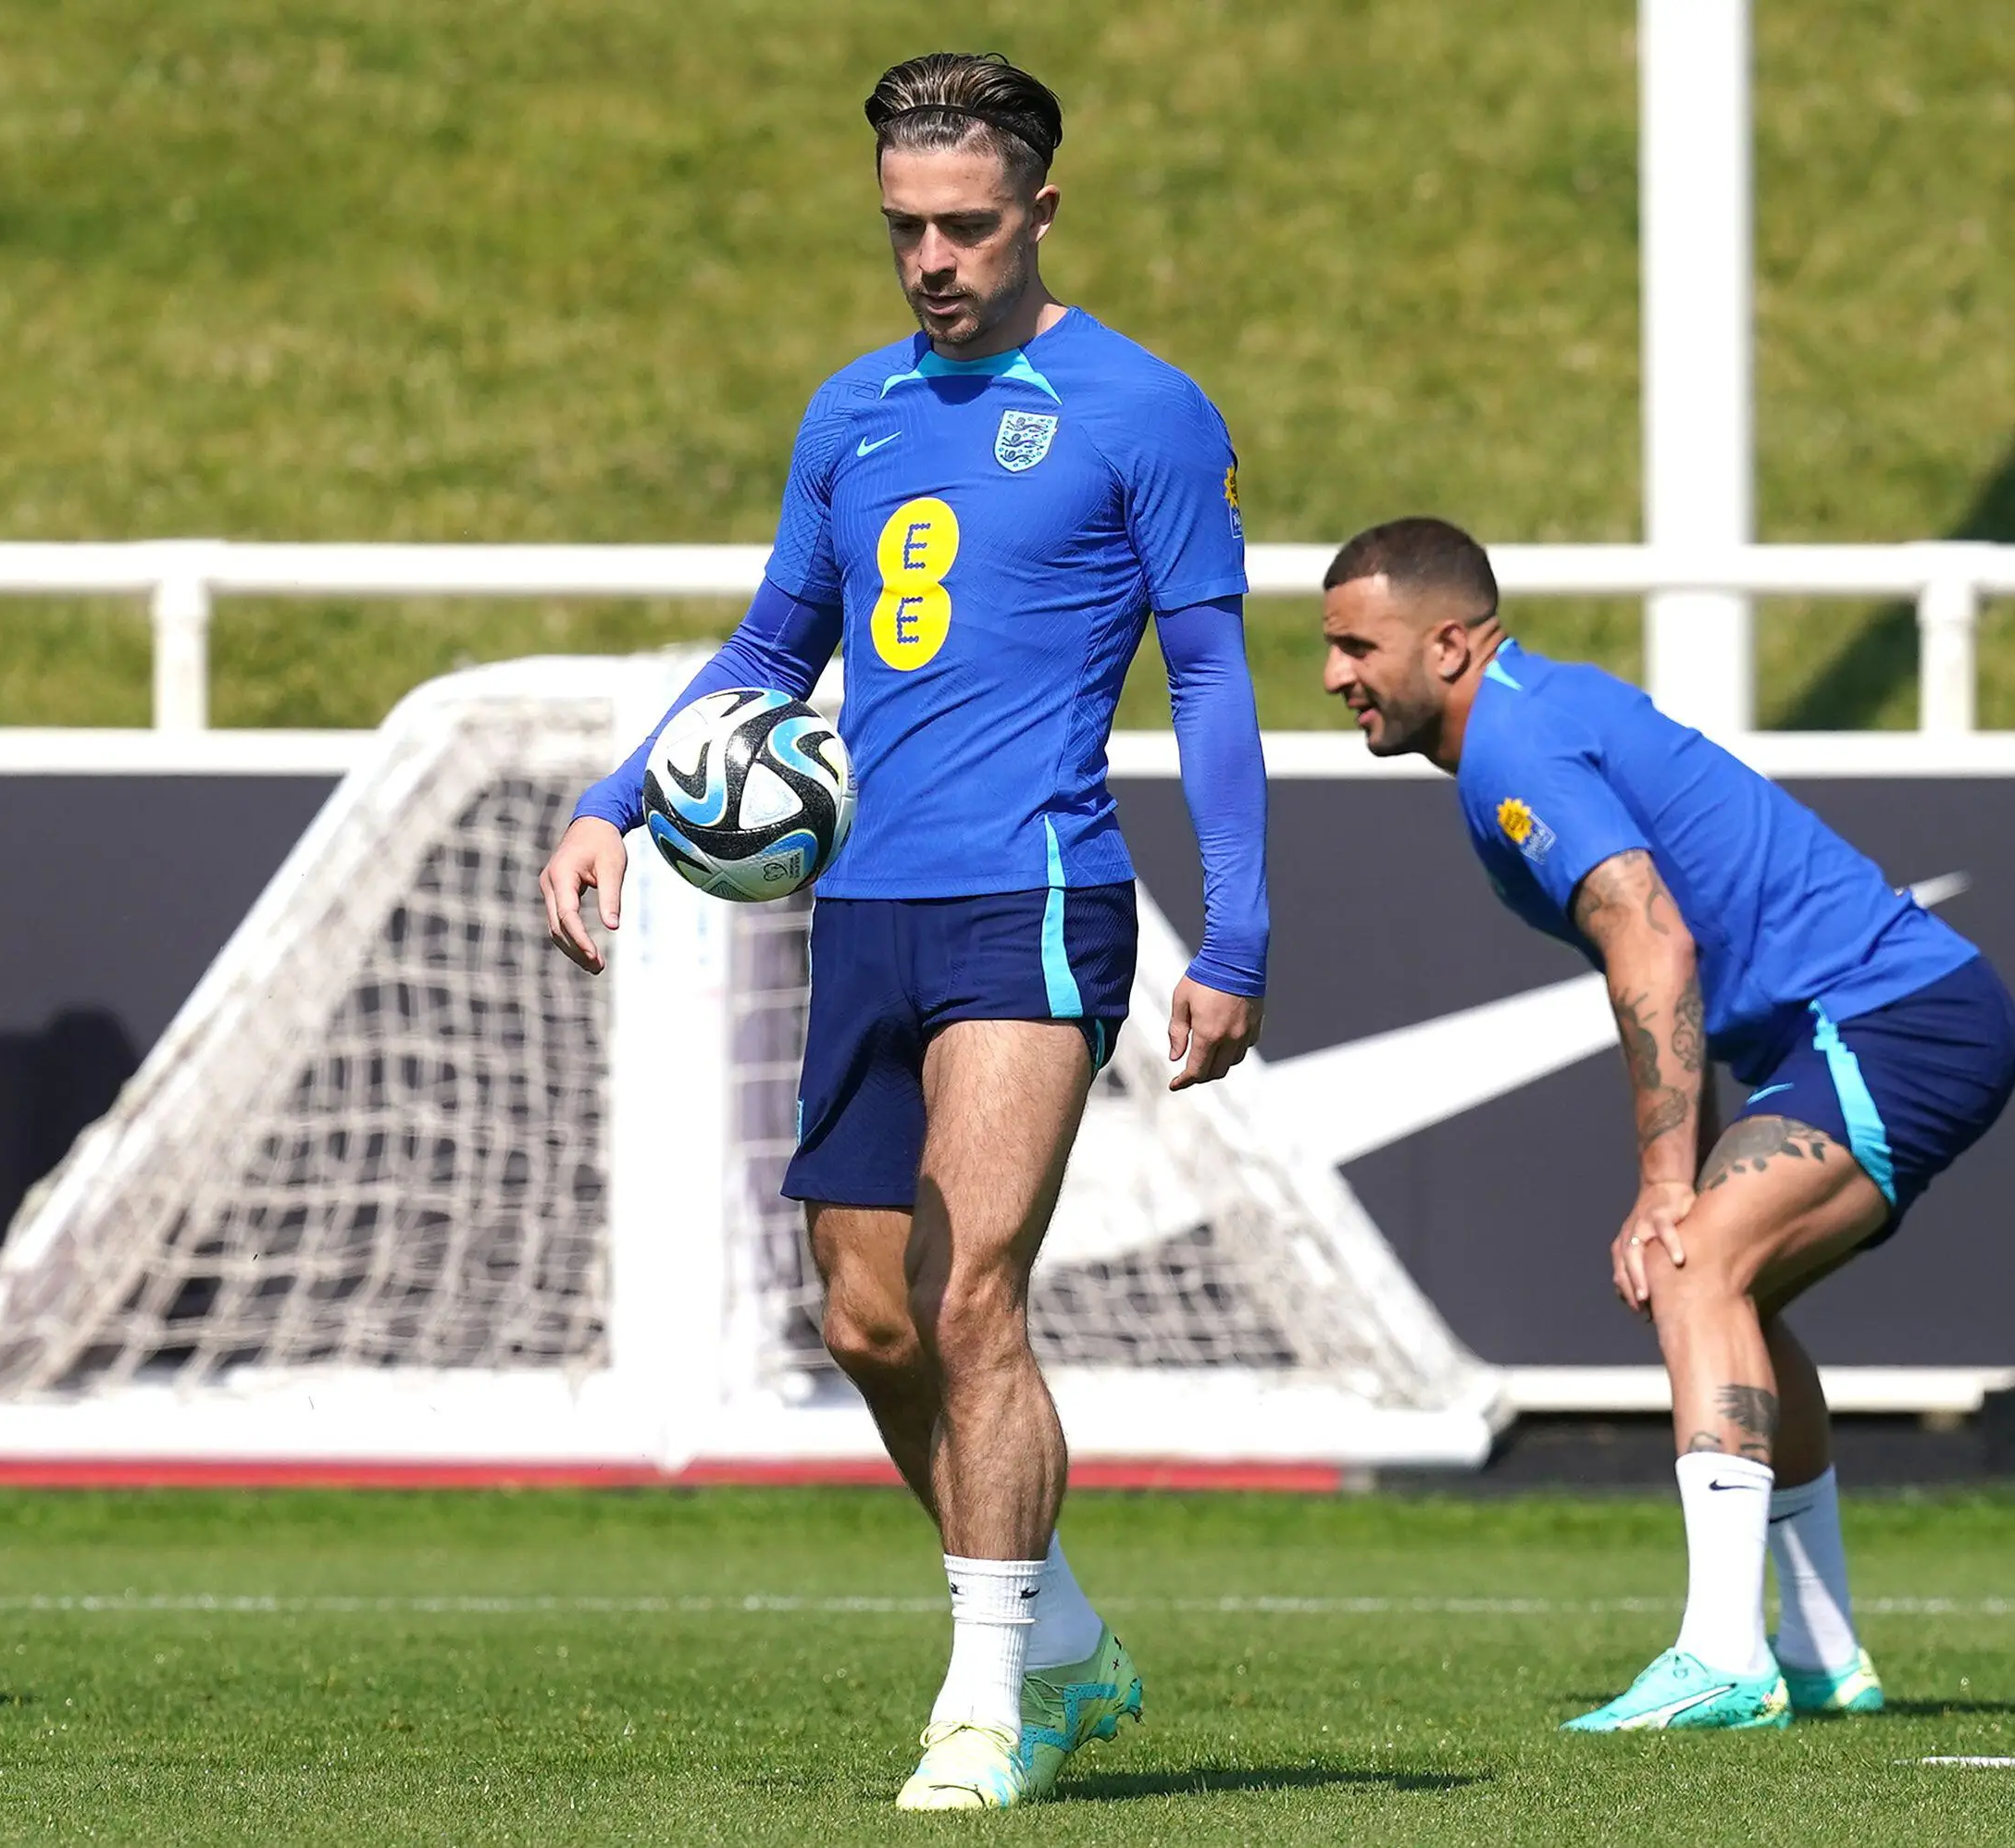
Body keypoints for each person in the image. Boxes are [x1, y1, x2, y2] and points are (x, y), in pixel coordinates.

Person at [540, 51, 1269, 1808]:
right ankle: (1071, 1645)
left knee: (973, 1300)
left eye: (962, 224)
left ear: (1038, 208)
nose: (931, 257)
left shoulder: (1140, 408)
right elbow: (770, 644)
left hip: (1035, 899)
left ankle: (981, 1704)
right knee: (867, 1323)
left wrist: (1233, 937)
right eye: (903, 230)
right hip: (858, 907)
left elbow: (1219, 676)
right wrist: (614, 797)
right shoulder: (850, 409)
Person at [1318, 517, 2015, 1732]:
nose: (1334, 676)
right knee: (1728, 1290)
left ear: (1448, 644)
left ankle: (1723, 1655)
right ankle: (1819, 1654)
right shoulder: (1527, 721)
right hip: (1863, 1026)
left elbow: (1652, 939)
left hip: (1897, 1020)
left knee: (1693, 1257)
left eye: (1353, 647)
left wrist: (1662, 1183)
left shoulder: (1516, 743)